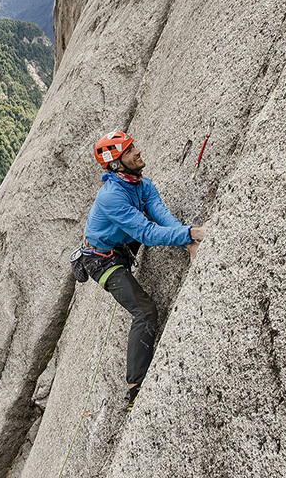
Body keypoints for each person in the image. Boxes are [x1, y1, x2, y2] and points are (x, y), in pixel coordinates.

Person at [80, 130, 206, 410]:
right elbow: (147, 233)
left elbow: (160, 215)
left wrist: (186, 239)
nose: (137, 151)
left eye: (133, 146)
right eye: (129, 151)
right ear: (116, 164)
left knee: (151, 217)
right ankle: (135, 388)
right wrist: (191, 233)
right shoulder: (111, 197)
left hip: (123, 244)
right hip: (101, 261)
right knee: (145, 310)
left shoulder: (140, 183)